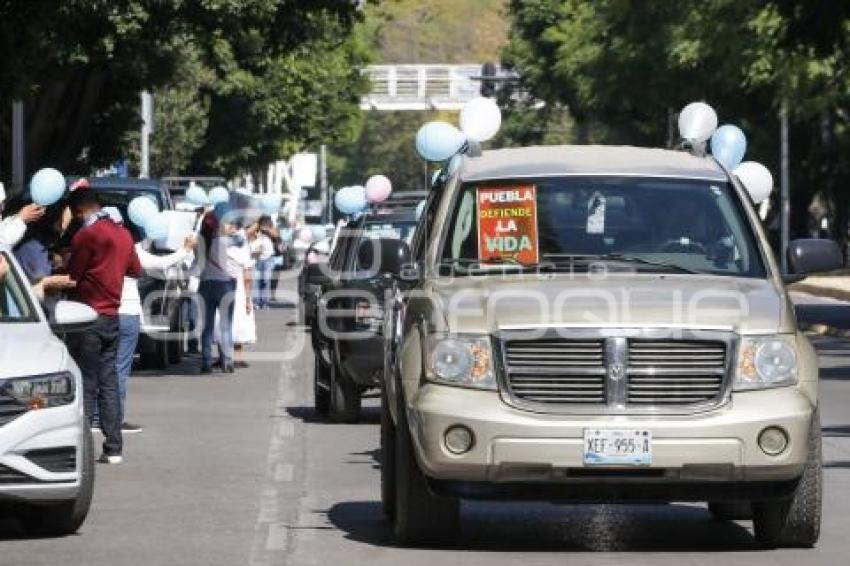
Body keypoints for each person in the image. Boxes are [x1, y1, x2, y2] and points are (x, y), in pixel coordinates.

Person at [65, 188, 141, 465]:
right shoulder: (123, 234)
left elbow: (73, 275)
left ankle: (81, 447)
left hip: (86, 316)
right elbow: (136, 270)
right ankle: (113, 447)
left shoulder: (87, 235)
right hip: (113, 316)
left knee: (86, 383)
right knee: (109, 382)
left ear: (81, 210)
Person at [104, 206, 196, 433]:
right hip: (126, 312)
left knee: (102, 367)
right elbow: (160, 264)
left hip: (100, 313)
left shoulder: (89, 245)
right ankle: (115, 420)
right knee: (120, 369)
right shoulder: (128, 248)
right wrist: (185, 250)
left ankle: (98, 416)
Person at [198, 204, 241, 374]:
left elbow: (197, 267)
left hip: (206, 284)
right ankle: (227, 361)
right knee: (226, 325)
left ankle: (206, 361)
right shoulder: (226, 242)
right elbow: (242, 245)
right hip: (225, 285)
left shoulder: (202, 243)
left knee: (207, 327)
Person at [249, 215, 277, 309]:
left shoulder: (271, 230)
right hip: (256, 257)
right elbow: (249, 237)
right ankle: (256, 302)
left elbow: (276, 235)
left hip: (268, 258)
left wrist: (267, 230)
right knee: (256, 282)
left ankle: (264, 302)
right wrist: (256, 229)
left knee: (266, 281)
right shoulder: (255, 230)